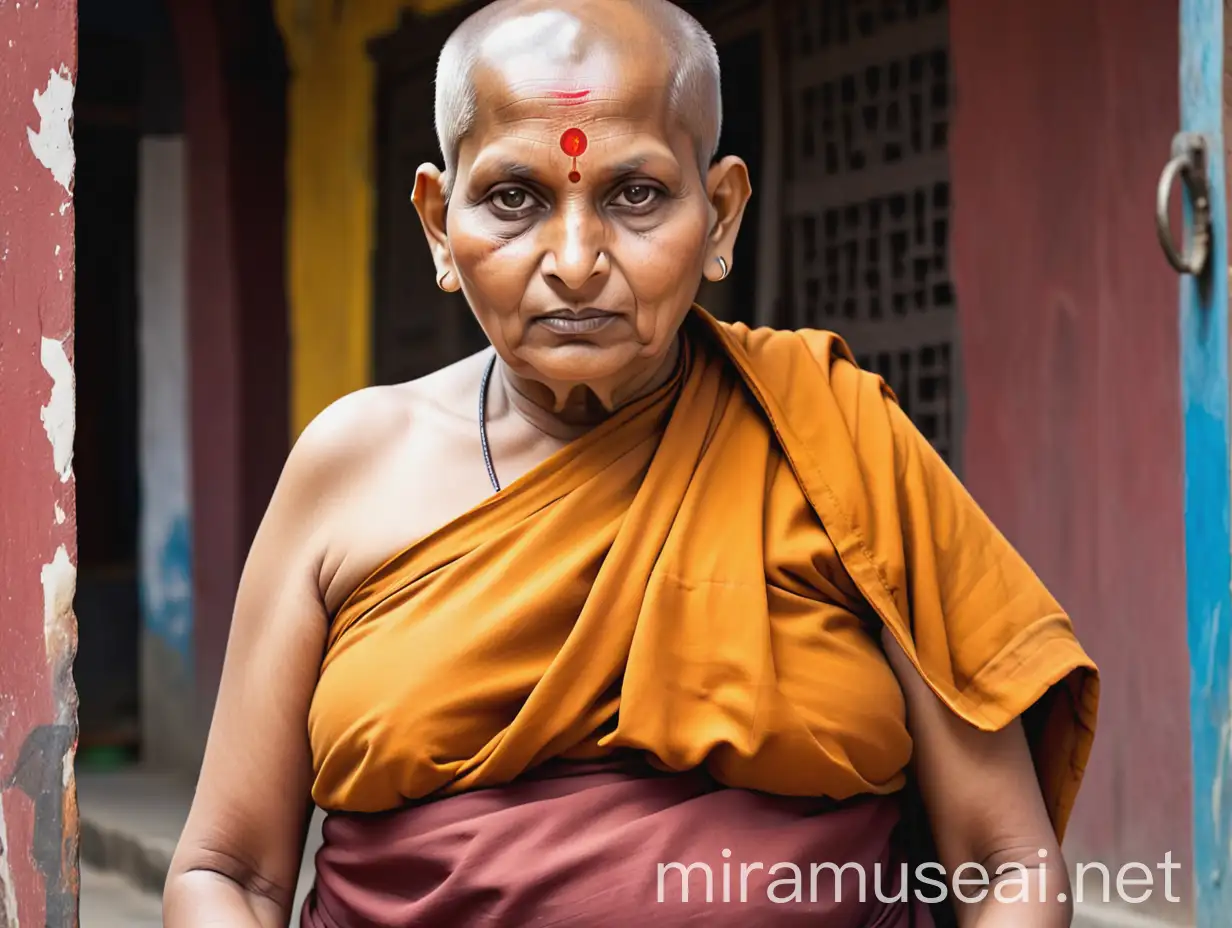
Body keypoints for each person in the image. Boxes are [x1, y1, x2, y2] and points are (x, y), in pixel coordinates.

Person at [163, 0, 1099, 925]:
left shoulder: (835, 437)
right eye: (514, 198)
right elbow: (228, 874)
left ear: (722, 213)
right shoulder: (349, 466)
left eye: (635, 195)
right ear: (440, 226)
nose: (575, 261)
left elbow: (1004, 862)